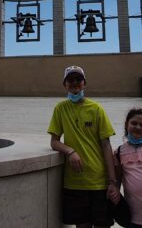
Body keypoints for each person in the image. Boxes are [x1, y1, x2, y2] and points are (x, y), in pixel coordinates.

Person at [48, 65, 119, 228]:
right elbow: (54, 141)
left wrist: (112, 181)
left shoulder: (96, 109)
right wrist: (70, 151)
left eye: (78, 79)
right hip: (74, 182)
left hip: (98, 182)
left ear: (84, 83)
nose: (74, 83)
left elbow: (106, 145)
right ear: (64, 84)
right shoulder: (60, 109)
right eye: (70, 80)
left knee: (103, 225)